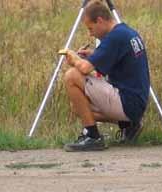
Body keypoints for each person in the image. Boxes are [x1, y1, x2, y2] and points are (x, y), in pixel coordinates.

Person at [61, 0, 150, 152]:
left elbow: (84, 68)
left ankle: (92, 136)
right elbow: (115, 58)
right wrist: (93, 55)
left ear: (100, 21)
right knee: (79, 108)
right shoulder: (126, 32)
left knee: (71, 76)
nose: (90, 33)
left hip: (126, 101)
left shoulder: (114, 38)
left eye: (91, 28)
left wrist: (73, 56)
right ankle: (128, 125)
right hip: (135, 102)